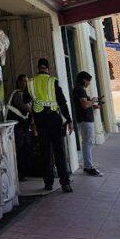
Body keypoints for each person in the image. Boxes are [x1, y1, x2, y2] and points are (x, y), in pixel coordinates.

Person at [28, 57, 74, 192]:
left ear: (38, 68)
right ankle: (65, 183)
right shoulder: (52, 81)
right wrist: (69, 120)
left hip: (40, 121)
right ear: (47, 68)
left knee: (45, 153)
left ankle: (48, 183)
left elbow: (25, 99)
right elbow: (62, 102)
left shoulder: (31, 83)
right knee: (59, 151)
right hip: (54, 120)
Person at [73, 71, 102, 176]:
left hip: (85, 120)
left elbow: (85, 105)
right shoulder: (79, 90)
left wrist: (93, 105)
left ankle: (88, 166)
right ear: (84, 79)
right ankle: (89, 167)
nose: (89, 83)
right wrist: (93, 101)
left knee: (87, 143)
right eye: (88, 81)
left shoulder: (80, 89)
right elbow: (85, 105)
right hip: (85, 120)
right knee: (87, 144)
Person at [7, 74, 34, 179]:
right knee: (19, 150)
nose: (26, 84)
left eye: (27, 81)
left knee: (24, 149)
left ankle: (23, 172)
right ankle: (18, 173)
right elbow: (27, 108)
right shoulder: (18, 94)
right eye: (24, 81)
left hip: (23, 127)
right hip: (17, 127)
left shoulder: (25, 94)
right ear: (19, 82)